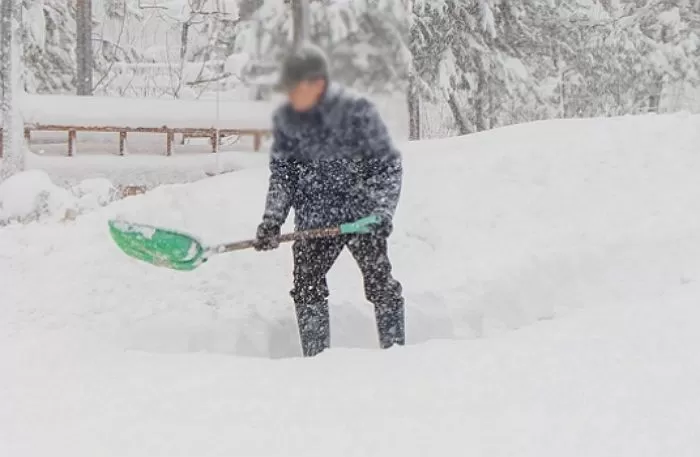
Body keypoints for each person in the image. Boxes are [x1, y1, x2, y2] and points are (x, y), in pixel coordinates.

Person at [253, 42, 405, 357]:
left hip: (363, 217)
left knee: (380, 283)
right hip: (314, 219)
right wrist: (272, 220)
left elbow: (387, 166)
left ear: (317, 84)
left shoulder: (357, 113)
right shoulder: (287, 122)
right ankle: (317, 359)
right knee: (306, 284)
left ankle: (396, 354)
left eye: (295, 88)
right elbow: (283, 177)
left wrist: (381, 212)